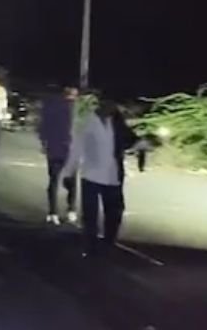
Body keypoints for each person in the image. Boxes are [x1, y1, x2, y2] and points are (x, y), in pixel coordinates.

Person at [61, 99, 136, 255]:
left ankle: (109, 242)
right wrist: (68, 173)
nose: (113, 108)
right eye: (110, 104)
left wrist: (144, 144)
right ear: (102, 104)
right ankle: (90, 247)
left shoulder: (116, 123)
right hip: (91, 175)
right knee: (90, 215)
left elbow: (128, 142)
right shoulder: (88, 122)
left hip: (112, 176)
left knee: (114, 212)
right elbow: (77, 149)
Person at [38, 85, 79, 225]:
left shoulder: (52, 107)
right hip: (70, 149)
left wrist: (44, 143)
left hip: (55, 148)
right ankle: (71, 210)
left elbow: (44, 126)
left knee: (54, 180)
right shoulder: (76, 110)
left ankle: (53, 212)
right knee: (71, 181)